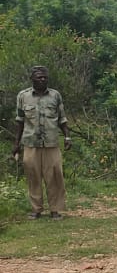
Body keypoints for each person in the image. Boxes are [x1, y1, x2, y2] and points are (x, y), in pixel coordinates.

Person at [11, 65, 71, 219]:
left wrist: (67, 137)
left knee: (55, 175)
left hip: (51, 143)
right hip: (30, 143)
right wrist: (16, 144)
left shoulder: (55, 95)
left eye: (45, 77)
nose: (43, 79)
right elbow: (19, 121)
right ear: (32, 79)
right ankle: (36, 209)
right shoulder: (23, 96)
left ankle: (55, 209)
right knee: (33, 176)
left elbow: (62, 118)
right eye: (39, 77)